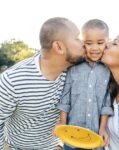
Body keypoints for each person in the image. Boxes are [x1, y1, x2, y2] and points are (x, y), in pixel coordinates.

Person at [0, 17, 85, 150]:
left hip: (55, 145)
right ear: (59, 47)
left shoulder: (74, 70)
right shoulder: (13, 80)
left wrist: (58, 145)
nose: (83, 43)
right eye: (77, 38)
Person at [56, 19, 113, 150]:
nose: (94, 48)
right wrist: (62, 122)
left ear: (107, 42)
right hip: (72, 133)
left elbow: (106, 103)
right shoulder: (73, 67)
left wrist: (103, 128)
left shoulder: (108, 70)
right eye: (88, 43)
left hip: (95, 135)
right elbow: (65, 98)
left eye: (100, 43)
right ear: (83, 43)